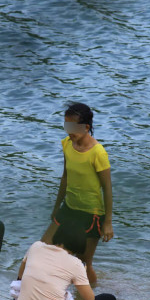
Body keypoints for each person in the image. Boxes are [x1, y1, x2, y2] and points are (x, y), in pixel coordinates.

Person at [1, 221, 125, 300]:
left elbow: (20, 277)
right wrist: (82, 274)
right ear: (79, 242)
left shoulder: (36, 246)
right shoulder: (75, 264)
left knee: (22, 285)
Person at [41, 102, 113, 284]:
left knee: (83, 263)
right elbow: (65, 177)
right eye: (66, 126)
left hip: (92, 213)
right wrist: (57, 207)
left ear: (86, 127)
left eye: (72, 127)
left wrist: (108, 222)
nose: (68, 131)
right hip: (69, 208)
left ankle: (91, 299)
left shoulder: (98, 153)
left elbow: (107, 188)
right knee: (43, 249)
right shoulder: (66, 144)